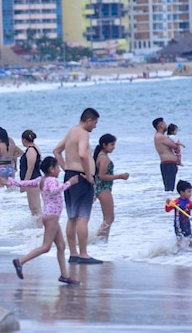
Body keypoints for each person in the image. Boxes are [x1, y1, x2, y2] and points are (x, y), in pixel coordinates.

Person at [6, 156, 81, 285]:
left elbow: (26, 183)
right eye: (57, 167)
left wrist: (11, 181)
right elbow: (54, 191)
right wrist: (70, 183)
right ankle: (21, 261)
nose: (59, 170)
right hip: (51, 216)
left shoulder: (41, 179)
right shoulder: (52, 181)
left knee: (61, 246)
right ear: (51, 169)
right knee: (46, 247)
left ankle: (65, 275)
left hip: (50, 216)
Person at [54, 107, 101, 264]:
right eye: (95, 123)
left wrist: (66, 168)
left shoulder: (71, 131)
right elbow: (82, 154)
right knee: (82, 217)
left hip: (70, 176)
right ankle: (83, 254)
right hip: (81, 180)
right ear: (88, 120)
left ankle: (73, 254)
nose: (95, 126)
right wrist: (88, 176)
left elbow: (56, 151)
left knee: (72, 217)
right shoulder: (83, 133)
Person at [93, 134, 129, 243]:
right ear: (104, 145)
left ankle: (101, 240)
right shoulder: (103, 158)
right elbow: (102, 176)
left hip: (100, 188)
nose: (113, 147)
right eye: (112, 145)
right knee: (109, 217)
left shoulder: (100, 155)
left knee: (108, 217)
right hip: (103, 188)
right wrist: (120, 176)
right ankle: (100, 240)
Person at [165, 180, 192, 249]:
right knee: (180, 240)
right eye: (189, 191)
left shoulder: (190, 203)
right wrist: (167, 203)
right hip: (178, 224)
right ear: (182, 193)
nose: (190, 193)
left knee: (190, 240)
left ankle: (191, 253)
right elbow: (167, 210)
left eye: (191, 191)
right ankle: (178, 253)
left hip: (187, 224)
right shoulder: (176, 202)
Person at [0, 126, 22, 191]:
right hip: (10, 169)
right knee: (11, 190)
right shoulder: (12, 143)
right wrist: (14, 162)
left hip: (0, 169)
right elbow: (20, 152)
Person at [18, 129, 43, 219]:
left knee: (35, 208)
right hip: (33, 180)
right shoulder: (34, 148)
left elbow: (30, 168)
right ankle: (36, 228)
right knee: (33, 208)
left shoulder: (31, 150)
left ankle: (41, 228)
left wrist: (24, 183)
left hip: (33, 180)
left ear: (24, 140)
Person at [153, 117, 180, 192]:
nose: (166, 125)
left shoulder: (160, 136)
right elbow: (175, 146)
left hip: (169, 164)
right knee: (169, 189)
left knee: (169, 188)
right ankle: (169, 203)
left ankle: (169, 202)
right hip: (168, 164)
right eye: (164, 123)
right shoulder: (160, 136)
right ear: (161, 125)